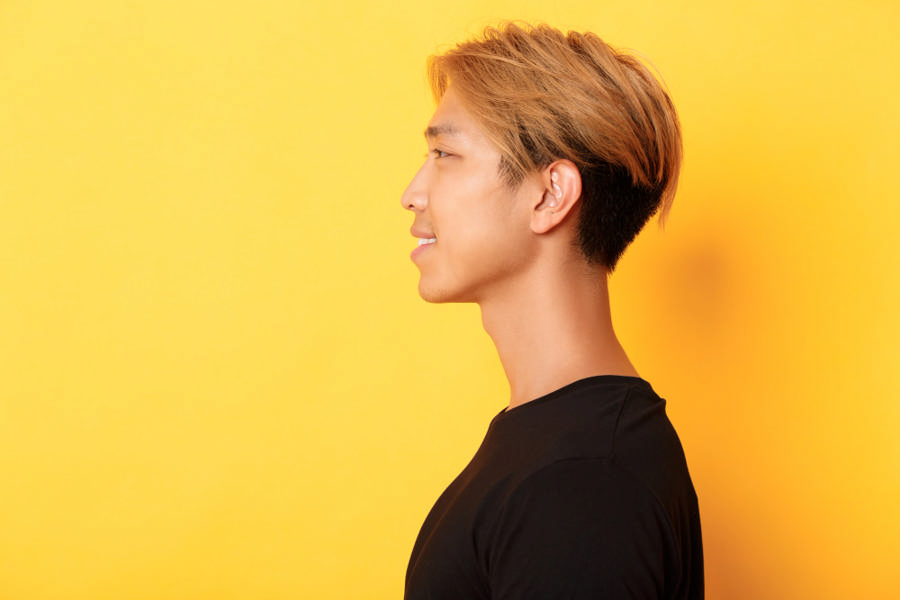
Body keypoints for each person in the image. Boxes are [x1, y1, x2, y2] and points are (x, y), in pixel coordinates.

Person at [400, 23, 703, 599]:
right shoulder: (562, 451)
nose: (412, 193)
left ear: (550, 195)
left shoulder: (583, 482)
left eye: (445, 154)